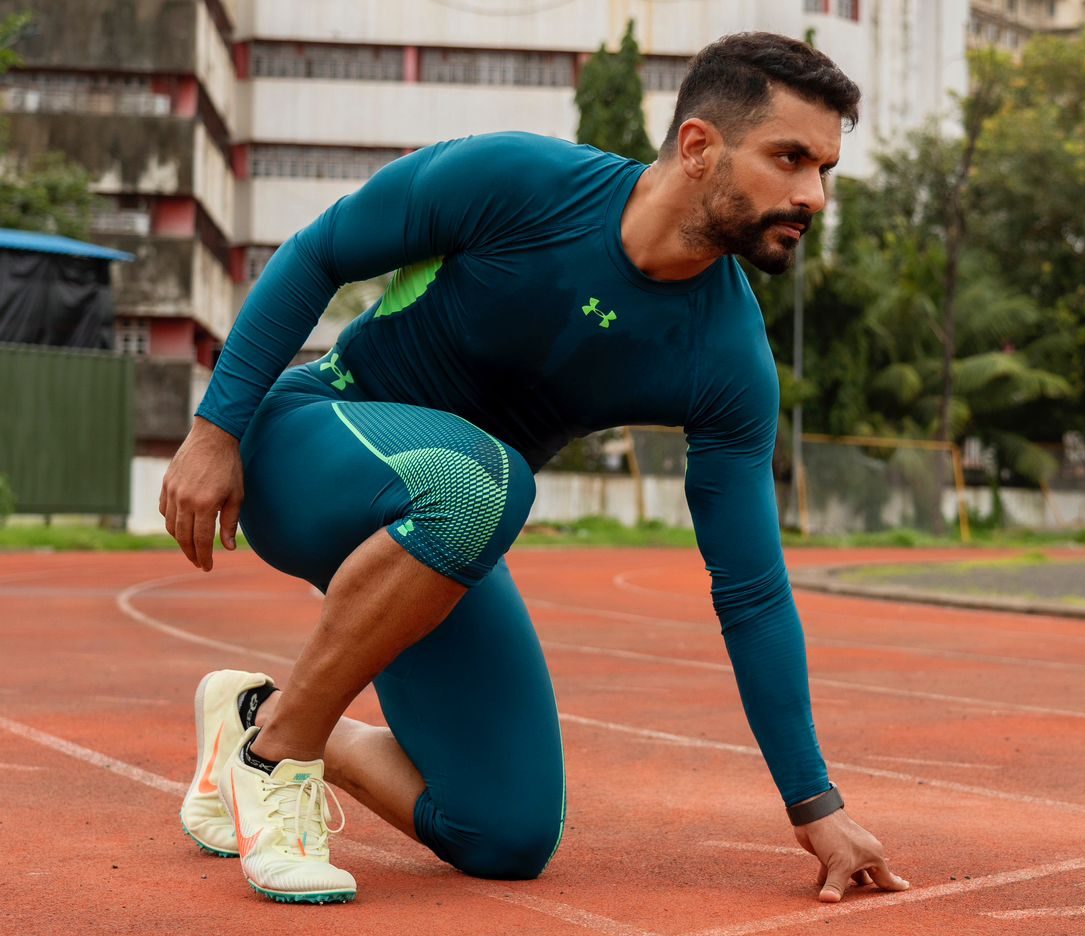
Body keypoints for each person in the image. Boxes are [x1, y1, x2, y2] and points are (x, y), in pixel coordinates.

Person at [160, 31, 911, 905]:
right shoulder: (519, 181)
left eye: (826, 169)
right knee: (487, 480)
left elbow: (750, 590)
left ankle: (258, 716)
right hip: (308, 444)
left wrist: (812, 802)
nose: (812, 195)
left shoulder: (729, 359)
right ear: (700, 146)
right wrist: (217, 427)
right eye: (791, 158)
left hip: (446, 529)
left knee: (505, 832)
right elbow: (321, 252)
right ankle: (275, 762)